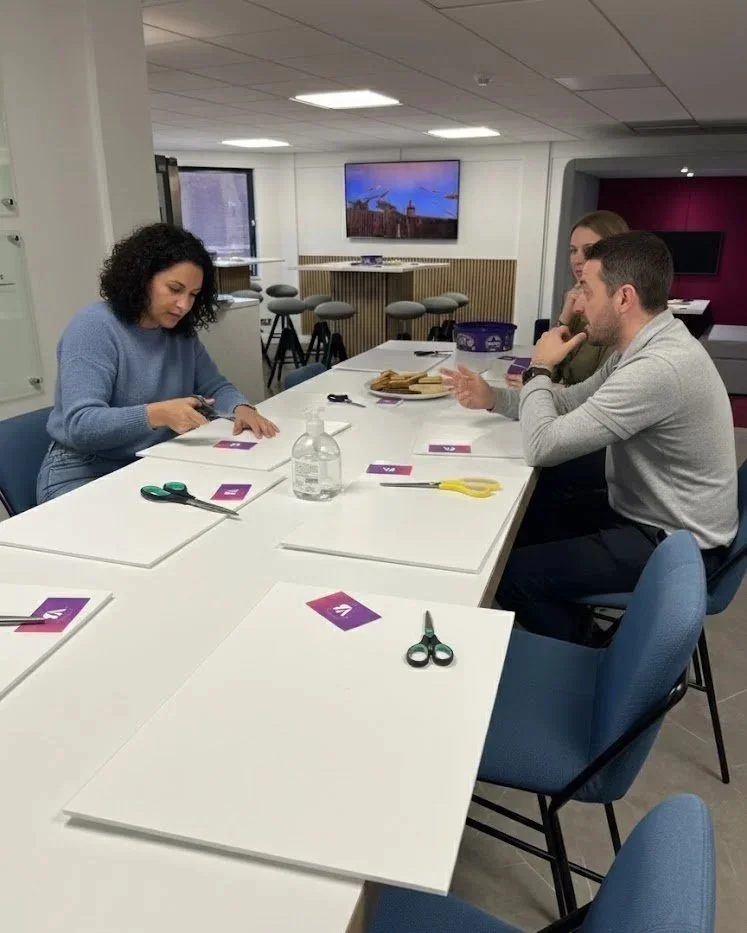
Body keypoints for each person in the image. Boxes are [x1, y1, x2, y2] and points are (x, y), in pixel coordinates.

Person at [443, 231, 738, 643]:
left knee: (509, 576)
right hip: (650, 513)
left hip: (677, 545)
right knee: (528, 520)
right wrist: (494, 398)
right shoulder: (641, 346)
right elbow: (567, 402)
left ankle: (595, 654)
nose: (579, 304)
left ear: (624, 298)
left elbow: (542, 446)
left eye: (587, 290)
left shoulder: (657, 368)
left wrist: (540, 368)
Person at [37, 223, 278, 504]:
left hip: (152, 461)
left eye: (193, 295)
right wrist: (157, 414)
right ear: (141, 279)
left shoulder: (179, 332)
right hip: (84, 470)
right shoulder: (93, 328)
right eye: (175, 289)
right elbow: (81, 425)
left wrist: (240, 408)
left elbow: (215, 386)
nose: (184, 305)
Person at [506, 209, 629, 389]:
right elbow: (553, 371)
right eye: (573, 250)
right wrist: (564, 320)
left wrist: (541, 385)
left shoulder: (621, 309)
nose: (577, 259)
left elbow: (603, 392)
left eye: (589, 250)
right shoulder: (576, 301)